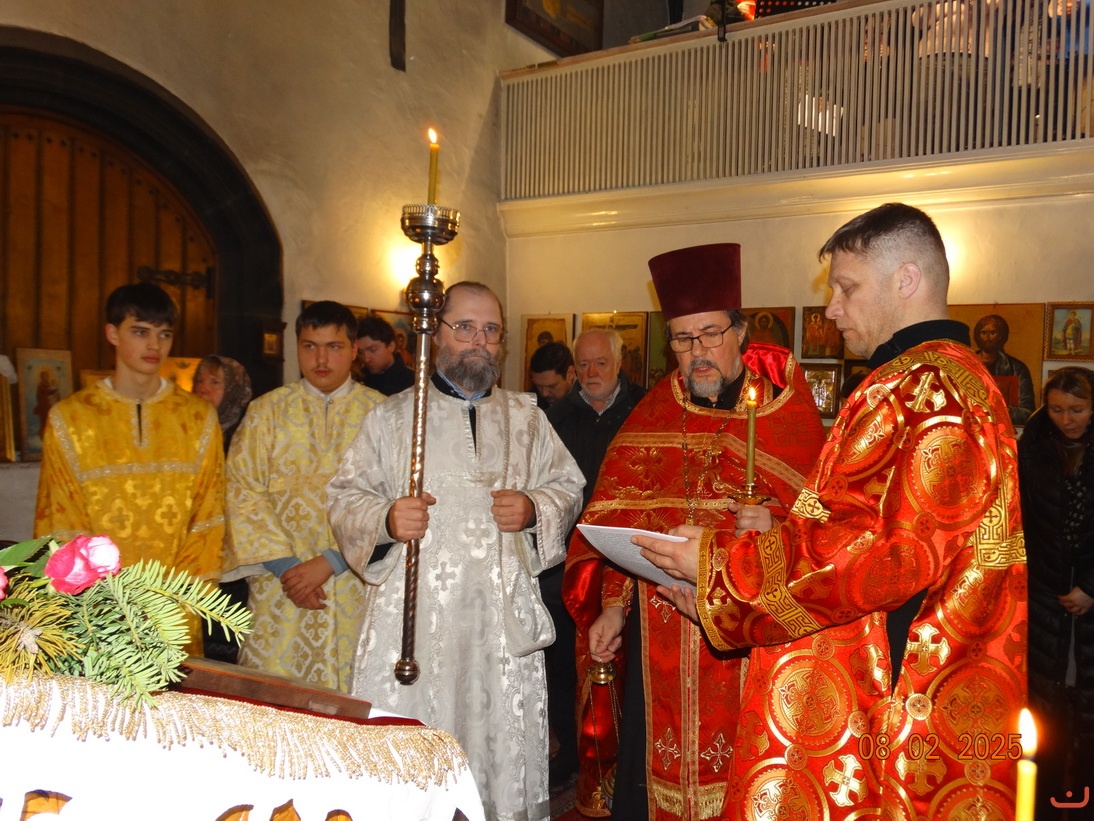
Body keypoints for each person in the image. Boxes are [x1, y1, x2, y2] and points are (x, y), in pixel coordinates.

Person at [638, 204, 1027, 818]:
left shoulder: (927, 389)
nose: (831, 309)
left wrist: (721, 572)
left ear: (906, 280)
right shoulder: (934, 380)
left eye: (846, 288)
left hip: (892, 696)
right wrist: (738, 578)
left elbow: (887, 557)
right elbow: (850, 526)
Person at [564, 243, 826, 818]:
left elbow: (829, 531)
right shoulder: (653, 413)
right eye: (683, 339)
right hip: (657, 637)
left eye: (710, 334)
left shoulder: (784, 413)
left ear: (740, 332)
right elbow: (617, 523)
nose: (697, 352)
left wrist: (777, 523)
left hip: (743, 638)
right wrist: (614, 608)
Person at [326, 281, 584, 821]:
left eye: (491, 330)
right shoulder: (394, 418)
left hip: (499, 628)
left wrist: (533, 507)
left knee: (497, 758)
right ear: (436, 332)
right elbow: (346, 496)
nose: (478, 341)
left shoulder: (527, 418)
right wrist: (387, 519)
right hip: (416, 626)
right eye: (465, 327)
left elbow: (567, 486)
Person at [35, 282, 225, 654]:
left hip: (174, 609)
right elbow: (60, 518)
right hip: (96, 613)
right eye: (140, 332)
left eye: (164, 334)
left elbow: (208, 519)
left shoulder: (197, 418)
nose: (154, 345)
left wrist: (176, 599)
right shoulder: (70, 419)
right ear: (112, 334)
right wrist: (99, 601)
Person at [223, 301, 383, 691]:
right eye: (310, 346)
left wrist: (332, 561)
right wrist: (288, 569)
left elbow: (391, 500)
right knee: (275, 704)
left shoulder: (382, 415)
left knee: (354, 700)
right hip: (280, 589)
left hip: (355, 584)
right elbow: (241, 492)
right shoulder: (265, 412)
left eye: (334, 347)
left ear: (354, 350)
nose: (321, 359)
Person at [540, 328, 646, 793]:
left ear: (619, 363)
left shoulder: (646, 411)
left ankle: (628, 764)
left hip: (628, 559)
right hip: (567, 562)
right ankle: (571, 757)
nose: (591, 372)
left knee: (628, 665)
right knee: (562, 664)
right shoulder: (555, 419)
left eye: (600, 363)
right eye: (582, 364)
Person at [1018, 366, 1094, 814]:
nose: (1067, 419)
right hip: (1043, 591)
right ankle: (1046, 797)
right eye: (1058, 409)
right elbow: (1023, 519)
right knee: (1046, 698)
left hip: (1089, 593)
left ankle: (1083, 794)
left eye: (1078, 409)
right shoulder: (1033, 447)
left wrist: (1090, 587)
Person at [192, 354, 253, 663]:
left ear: (232, 389)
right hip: (194, 556)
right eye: (199, 381)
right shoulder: (184, 432)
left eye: (215, 382)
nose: (203, 388)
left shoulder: (245, 436)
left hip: (234, 561)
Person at [974, 313, 1035, 426]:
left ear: (1001, 336)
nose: (987, 337)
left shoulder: (1017, 368)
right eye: (983, 333)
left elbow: (1028, 413)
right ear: (978, 336)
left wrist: (1007, 411)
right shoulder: (967, 365)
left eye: (992, 333)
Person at [354, 314, 414, 396]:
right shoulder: (358, 380)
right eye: (361, 352)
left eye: (373, 350)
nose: (366, 358)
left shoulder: (412, 383)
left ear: (391, 346)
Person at [529, 339, 576, 409]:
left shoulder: (588, 402)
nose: (544, 393)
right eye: (539, 386)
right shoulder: (530, 402)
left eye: (551, 386)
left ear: (570, 374)